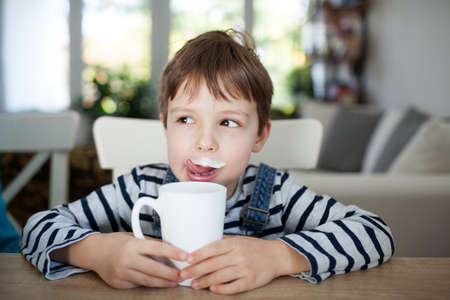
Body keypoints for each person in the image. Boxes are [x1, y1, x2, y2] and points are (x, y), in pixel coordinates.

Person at [21, 29, 394, 295]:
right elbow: (37, 228)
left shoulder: (274, 193)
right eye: (186, 119)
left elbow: (375, 233)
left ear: (260, 136)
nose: (205, 142)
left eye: (228, 122)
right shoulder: (139, 189)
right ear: (165, 126)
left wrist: (279, 257)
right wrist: (96, 252)